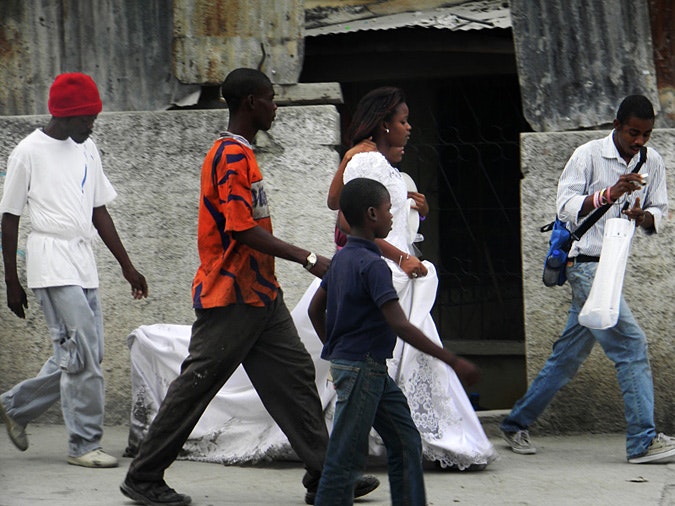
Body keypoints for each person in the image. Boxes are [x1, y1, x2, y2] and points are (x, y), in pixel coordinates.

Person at [120, 68, 379, 506]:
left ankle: (326, 476)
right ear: (250, 104)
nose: (275, 106)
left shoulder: (242, 155)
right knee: (196, 385)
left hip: (259, 295)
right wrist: (309, 258)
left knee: (295, 377)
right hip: (231, 296)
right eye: (270, 98)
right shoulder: (231, 156)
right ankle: (144, 477)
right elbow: (241, 229)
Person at [320, 86, 497, 469]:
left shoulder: (385, 167)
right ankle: (399, 445)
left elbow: (387, 217)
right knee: (403, 348)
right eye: (402, 121)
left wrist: (417, 206)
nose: (410, 127)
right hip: (384, 271)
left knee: (401, 361)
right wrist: (401, 257)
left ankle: (399, 442)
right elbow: (347, 219)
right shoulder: (367, 162)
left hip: (398, 271)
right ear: (384, 124)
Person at [499, 94, 675, 464]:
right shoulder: (588, 154)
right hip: (584, 266)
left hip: (612, 266)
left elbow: (660, 211)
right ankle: (642, 442)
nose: (639, 141)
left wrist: (644, 216)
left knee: (566, 357)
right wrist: (608, 194)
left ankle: (515, 423)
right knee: (631, 346)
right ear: (616, 125)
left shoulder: (652, 161)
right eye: (632, 132)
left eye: (645, 134)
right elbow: (564, 207)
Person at [0, 72, 148, 468]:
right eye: (86, 119)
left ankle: (15, 406)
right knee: (81, 351)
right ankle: (84, 444)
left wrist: (127, 266)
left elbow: (99, 211)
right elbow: (9, 217)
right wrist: (11, 280)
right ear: (64, 116)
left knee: (85, 352)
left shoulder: (88, 149)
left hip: (82, 259)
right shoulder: (27, 152)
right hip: (50, 260)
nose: (91, 126)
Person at [308, 177, 481, 506]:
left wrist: (335, 348)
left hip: (367, 370)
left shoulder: (342, 259)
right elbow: (399, 324)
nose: (392, 217)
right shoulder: (374, 266)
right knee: (344, 459)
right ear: (372, 214)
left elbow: (317, 309)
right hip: (363, 370)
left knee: (405, 440)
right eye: (389, 210)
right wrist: (453, 360)